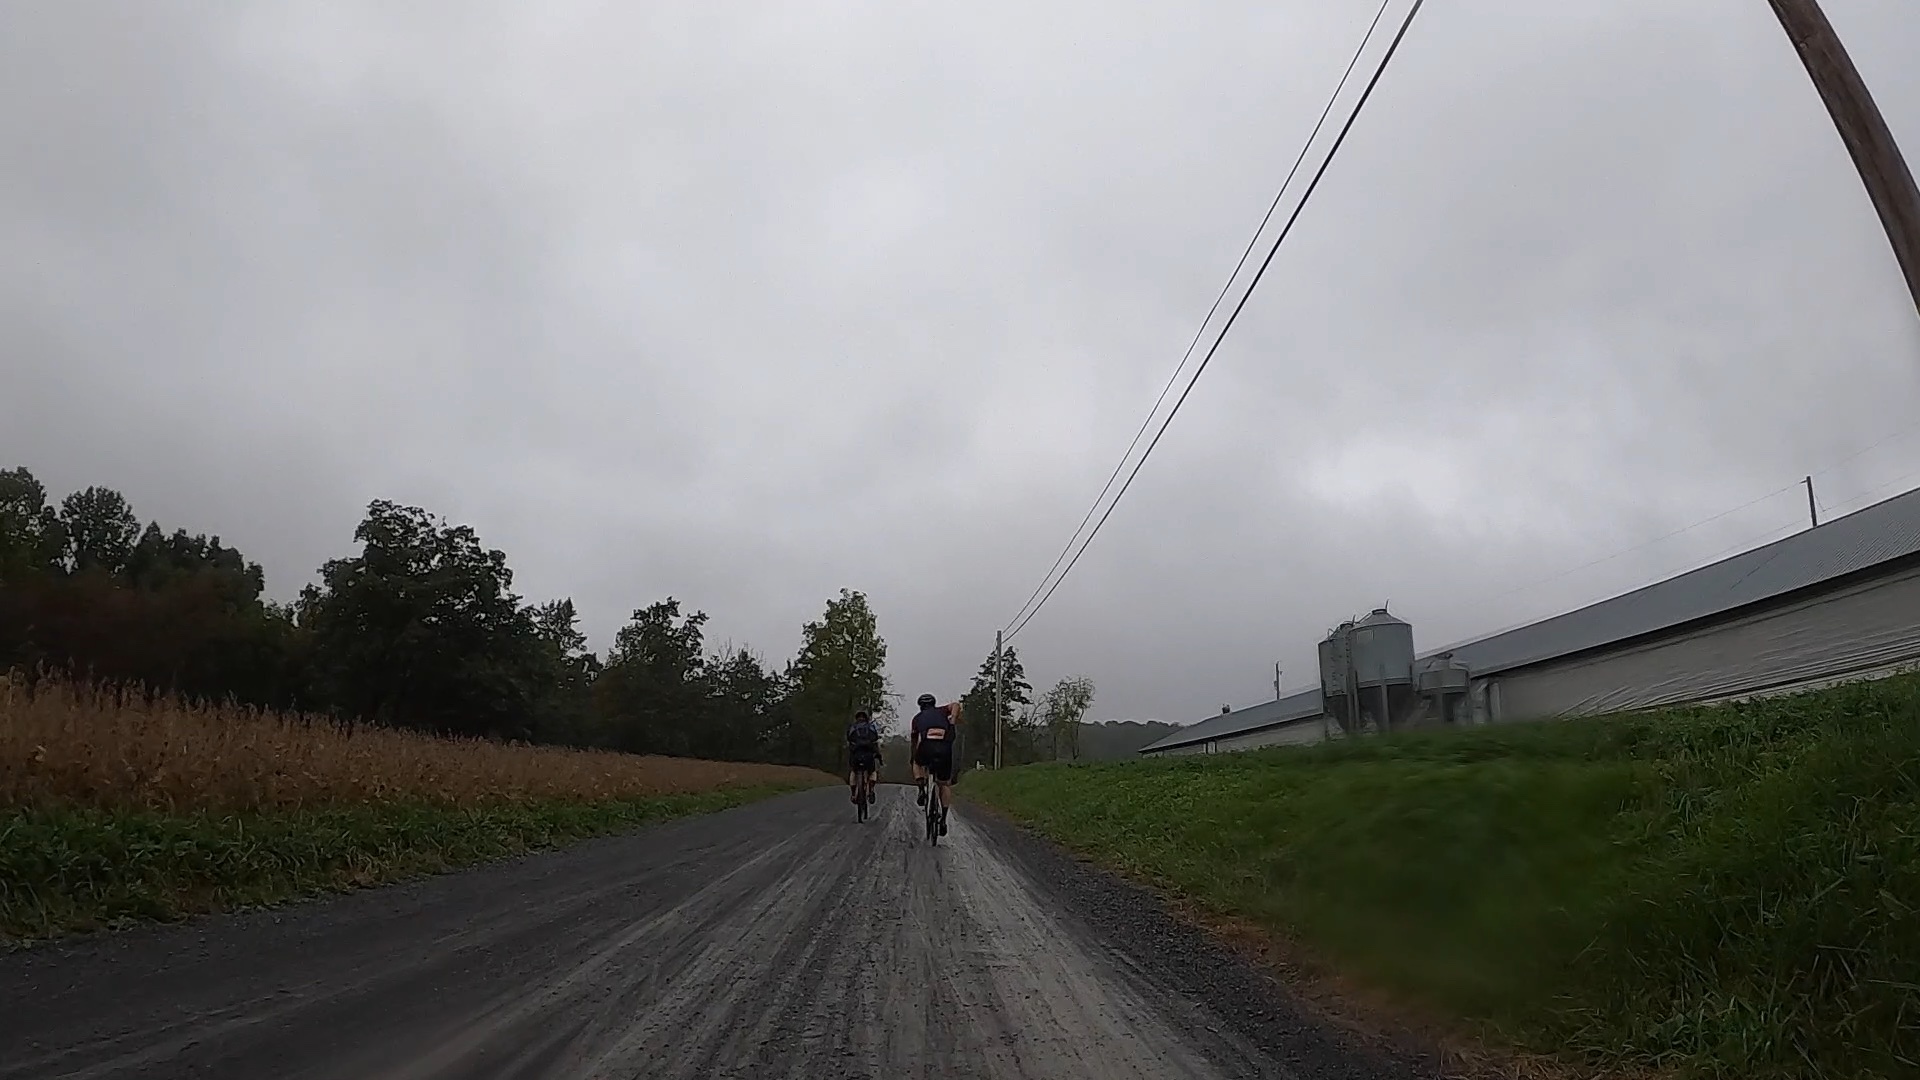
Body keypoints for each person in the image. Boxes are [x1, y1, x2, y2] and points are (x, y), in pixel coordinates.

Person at [909, 693, 958, 834]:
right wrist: (952, 720)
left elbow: (914, 742)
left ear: (920, 706)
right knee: (944, 784)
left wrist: (913, 757)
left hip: (926, 747)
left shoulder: (917, 719)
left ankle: (921, 789)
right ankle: (943, 819)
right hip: (944, 749)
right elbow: (956, 705)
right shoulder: (942, 711)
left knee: (917, 764)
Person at [846, 709, 881, 805]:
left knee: (853, 771)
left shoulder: (852, 727)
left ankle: (853, 793)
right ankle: (871, 789)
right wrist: (878, 755)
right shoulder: (871, 727)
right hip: (868, 756)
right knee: (872, 772)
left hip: (856, 756)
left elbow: (849, 741)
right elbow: (875, 741)